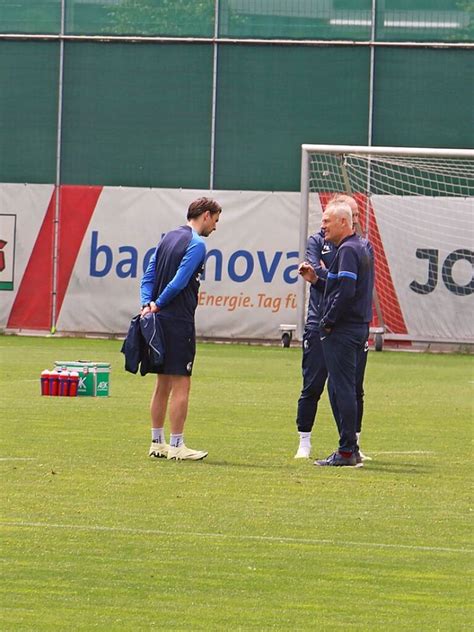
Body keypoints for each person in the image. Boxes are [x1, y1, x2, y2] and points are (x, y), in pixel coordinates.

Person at [140, 197, 222, 461]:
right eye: (216, 221)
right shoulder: (197, 244)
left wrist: (147, 303)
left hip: (159, 321)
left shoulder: (167, 238)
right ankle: (177, 445)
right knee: (182, 385)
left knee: (161, 383)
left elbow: (148, 275)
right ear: (206, 215)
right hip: (178, 321)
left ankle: (157, 442)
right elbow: (179, 281)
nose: (215, 228)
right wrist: (158, 304)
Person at [294, 194, 371, 460]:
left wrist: (329, 321)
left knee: (343, 389)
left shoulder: (350, 249)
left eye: (327, 221)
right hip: (350, 326)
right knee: (331, 387)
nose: (322, 226)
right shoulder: (351, 247)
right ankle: (340, 447)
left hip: (343, 328)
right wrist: (319, 277)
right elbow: (339, 285)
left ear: (342, 221)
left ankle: (348, 449)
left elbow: (346, 291)